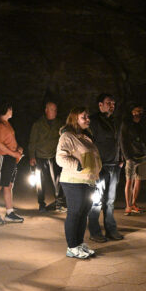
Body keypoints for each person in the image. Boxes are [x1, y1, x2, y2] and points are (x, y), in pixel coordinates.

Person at [56, 107, 102, 258]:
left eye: (88, 117)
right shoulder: (67, 136)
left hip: (88, 181)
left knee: (83, 214)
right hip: (73, 181)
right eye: (84, 117)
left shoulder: (84, 136)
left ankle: (79, 243)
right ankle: (71, 247)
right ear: (75, 119)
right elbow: (60, 158)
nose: (88, 119)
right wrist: (77, 165)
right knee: (75, 213)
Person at [87, 93, 123, 242]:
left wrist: (121, 158)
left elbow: (119, 140)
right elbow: (89, 143)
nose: (112, 105)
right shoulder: (93, 121)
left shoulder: (116, 121)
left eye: (113, 103)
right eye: (108, 103)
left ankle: (111, 230)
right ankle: (95, 232)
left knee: (110, 200)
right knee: (97, 200)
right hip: (100, 166)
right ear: (100, 105)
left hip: (114, 165)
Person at [0, 102, 24, 224]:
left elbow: (9, 142)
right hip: (1, 158)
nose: (12, 110)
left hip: (9, 159)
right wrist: (14, 153)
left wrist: (18, 148)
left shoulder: (7, 124)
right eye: (10, 109)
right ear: (5, 110)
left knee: (8, 185)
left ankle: (9, 212)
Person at [28, 100, 65, 212]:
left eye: (55, 110)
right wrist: (32, 156)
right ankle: (41, 204)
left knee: (58, 180)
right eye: (52, 109)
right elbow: (32, 141)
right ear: (46, 110)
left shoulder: (60, 124)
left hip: (54, 156)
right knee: (40, 181)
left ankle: (59, 202)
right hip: (40, 156)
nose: (54, 112)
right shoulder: (38, 124)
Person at [120, 102, 146, 215]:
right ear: (132, 111)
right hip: (131, 156)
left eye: (141, 111)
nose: (138, 113)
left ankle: (134, 203)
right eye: (136, 111)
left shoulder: (143, 123)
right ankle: (128, 206)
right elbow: (122, 140)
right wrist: (126, 156)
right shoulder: (126, 123)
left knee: (139, 180)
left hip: (144, 155)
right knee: (129, 180)